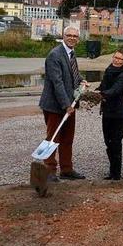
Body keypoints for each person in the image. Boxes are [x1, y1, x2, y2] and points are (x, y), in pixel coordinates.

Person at [38, 25, 87, 181]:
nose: (72, 38)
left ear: (78, 39)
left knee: (67, 138)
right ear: (63, 36)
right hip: (55, 105)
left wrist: (81, 80)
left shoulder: (71, 53)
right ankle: (49, 170)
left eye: (75, 36)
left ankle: (66, 169)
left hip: (69, 105)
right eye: (69, 35)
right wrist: (66, 105)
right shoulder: (55, 55)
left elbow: (73, 75)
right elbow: (57, 82)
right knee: (53, 137)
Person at [97, 49, 123, 181]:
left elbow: (114, 91)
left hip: (120, 115)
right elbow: (103, 86)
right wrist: (95, 91)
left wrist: (101, 95)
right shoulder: (108, 71)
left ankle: (116, 174)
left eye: (120, 59)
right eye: (115, 57)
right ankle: (112, 171)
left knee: (115, 143)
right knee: (108, 142)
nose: (116, 60)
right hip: (108, 113)